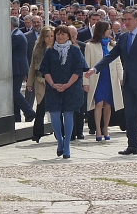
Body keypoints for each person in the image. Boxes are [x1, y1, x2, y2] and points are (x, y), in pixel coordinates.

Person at [85, 8, 137, 155]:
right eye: (125, 19)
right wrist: (95, 69)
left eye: (129, 19)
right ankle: (133, 145)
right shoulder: (123, 38)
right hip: (128, 82)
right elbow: (112, 55)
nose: (127, 22)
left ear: (136, 20)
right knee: (129, 114)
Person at [39, 25, 87, 159]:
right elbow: (45, 70)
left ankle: (67, 144)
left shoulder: (75, 50)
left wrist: (67, 85)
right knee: (54, 115)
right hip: (54, 88)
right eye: (58, 34)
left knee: (68, 115)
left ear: (68, 36)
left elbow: (79, 70)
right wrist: (53, 84)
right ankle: (59, 139)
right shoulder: (50, 51)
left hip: (71, 88)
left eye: (63, 34)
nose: (60, 37)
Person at [83, 21, 124, 141]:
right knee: (98, 103)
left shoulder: (113, 45)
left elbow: (118, 63)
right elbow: (86, 65)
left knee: (108, 104)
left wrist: (121, 77)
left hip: (110, 78)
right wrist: (85, 81)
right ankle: (98, 129)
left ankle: (106, 127)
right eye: (108, 29)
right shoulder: (90, 45)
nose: (110, 31)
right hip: (97, 78)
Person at [27, 26, 55, 142]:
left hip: (54, 81)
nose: (49, 39)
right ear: (43, 38)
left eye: (51, 36)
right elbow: (33, 66)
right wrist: (30, 82)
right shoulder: (37, 49)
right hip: (40, 80)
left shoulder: (57, 48)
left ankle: (59, 133)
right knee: (41, 108)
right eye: (47, 36)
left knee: (55, 109)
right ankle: (37, 133)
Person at [11, 16, 36, 123]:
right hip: (17, 67)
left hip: (18, 68)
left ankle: (29, 111)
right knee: (14, 92)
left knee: (15, 92)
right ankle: (17, 115)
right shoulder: (17, 34)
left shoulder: (16, 36)